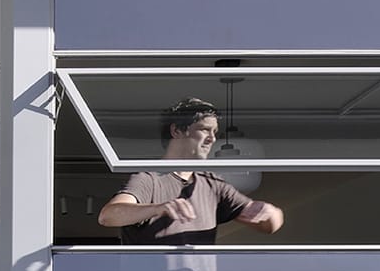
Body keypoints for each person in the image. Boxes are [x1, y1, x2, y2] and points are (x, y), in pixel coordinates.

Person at [96, 97, 285, 242]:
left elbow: (269, 224)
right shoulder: (149, 178)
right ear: (176, 131)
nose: (212, 139)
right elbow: (108, 216)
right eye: (204, 130)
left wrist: (270, 213)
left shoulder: (214, 185)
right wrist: (159, 208)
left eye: (215, 132)